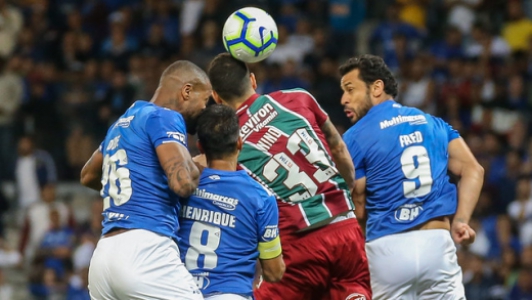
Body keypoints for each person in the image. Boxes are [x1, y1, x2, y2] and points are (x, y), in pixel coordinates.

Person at [206, 53, 371, 300]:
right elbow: (337, 146)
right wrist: (343, 192)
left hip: (301, 245)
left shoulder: (229, 141)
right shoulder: (300, 98)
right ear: (253, 80)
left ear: (217, 98)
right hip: (346, 229)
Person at [339, 54, 484, 300]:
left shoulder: (354, 137)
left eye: (350, 89)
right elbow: (474, 170)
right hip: (437, 243)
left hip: (387, 249)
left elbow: (359, 207)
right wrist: (461, 220)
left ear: (377, 87)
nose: (344, 99)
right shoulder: (433, 123)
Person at [80, 60, 211, 300]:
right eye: (204, 102)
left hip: (103, 259)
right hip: (145, 250)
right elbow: (182, 183)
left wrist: (140, 183)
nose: (204, 111)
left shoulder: (123, 122)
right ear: (187, 91)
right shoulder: (165, 117)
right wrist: (204, 166)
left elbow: (88, 175)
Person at [178, 104, 285, 300]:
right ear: (239, 143)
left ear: (200, 146)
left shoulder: (181, 188)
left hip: (180, 292)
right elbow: (274, 272)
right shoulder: (261, 197)